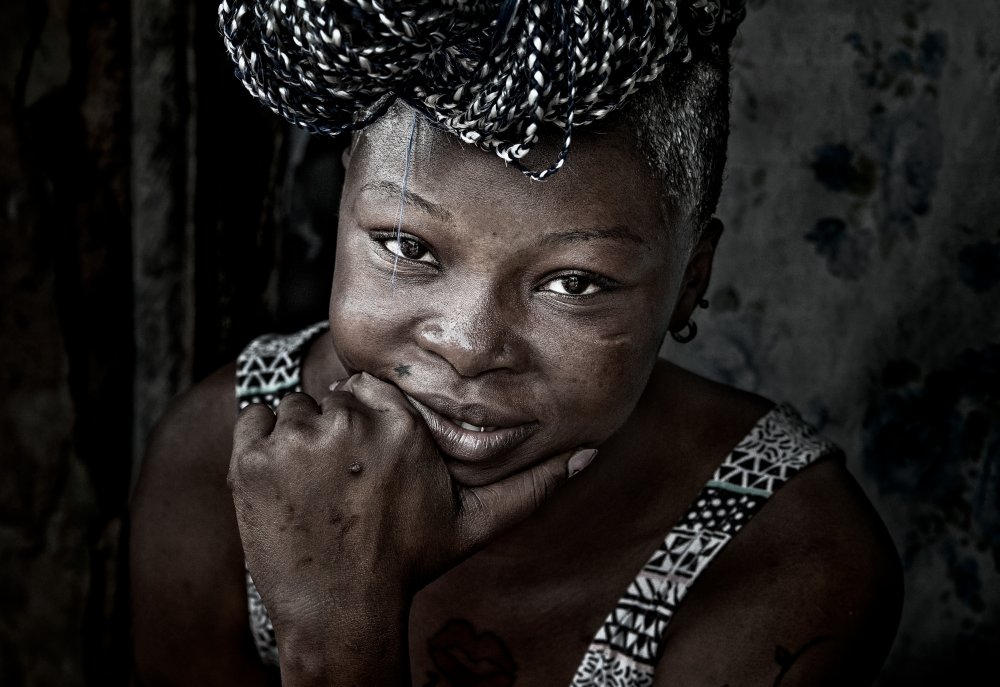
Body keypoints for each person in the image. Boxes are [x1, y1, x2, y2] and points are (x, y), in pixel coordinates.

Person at [129, 1, 903, 685]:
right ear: (341, 208)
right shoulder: (216, 470)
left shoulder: (791, 565)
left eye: (573, 283)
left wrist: (340, 643)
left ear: (691, 281)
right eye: (406, 244)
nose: (467, 345)